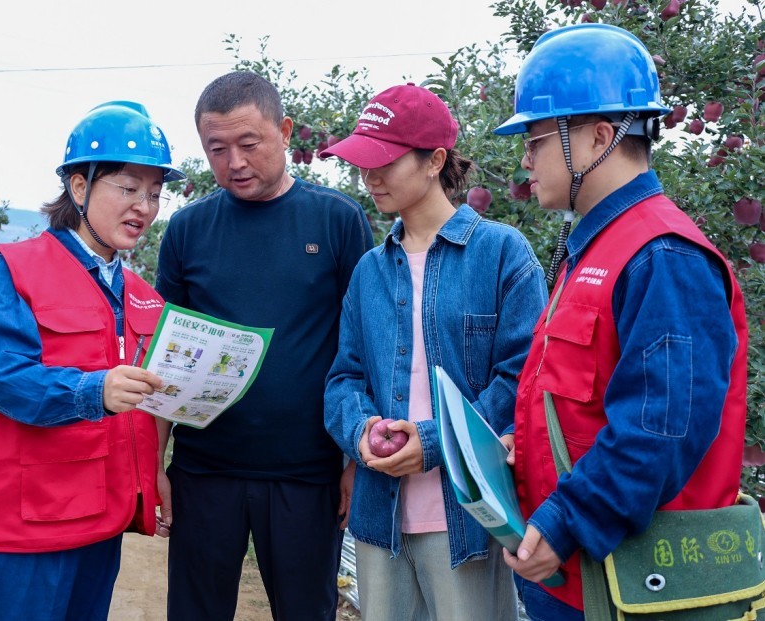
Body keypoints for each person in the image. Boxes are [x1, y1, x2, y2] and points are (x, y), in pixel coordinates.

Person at [492, 23, 748, 620]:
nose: (525, 160)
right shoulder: (598, 248)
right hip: (578, 579)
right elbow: (581, 396)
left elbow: (660, 431)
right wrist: (522, 441)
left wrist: (568, 519)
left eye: (535, 139)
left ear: (598, 138)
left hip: (637, 589)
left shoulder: (662, 256)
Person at [320, 83, 549, 621]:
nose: (370, 177)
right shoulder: (370, 271)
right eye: (363, 164)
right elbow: (343, 379)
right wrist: (361, 431)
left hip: (468, 515)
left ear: (434, 161)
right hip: (380, 518)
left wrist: (432, 443)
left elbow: (523, 377)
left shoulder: (501, 253)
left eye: (385, 162)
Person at [0, 100, 183, 620]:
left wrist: (152, 473)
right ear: (79, 187)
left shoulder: (142, 294)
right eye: (128, 188)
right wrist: (92, 391)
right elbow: (1, 375)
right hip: (29, 521)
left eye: (154, 193)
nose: (144, 206)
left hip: (101, 515)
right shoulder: (16, 270)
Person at [154, 71, 372, 621]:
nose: (235, 163)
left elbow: (364, 346)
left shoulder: (337, 220)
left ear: (285, 131)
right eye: (217, 149)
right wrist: (154, 463)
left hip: (307, 472)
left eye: (249, 143)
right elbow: (165, 357)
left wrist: (355, 460)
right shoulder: (187, 230)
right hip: (204, 470)